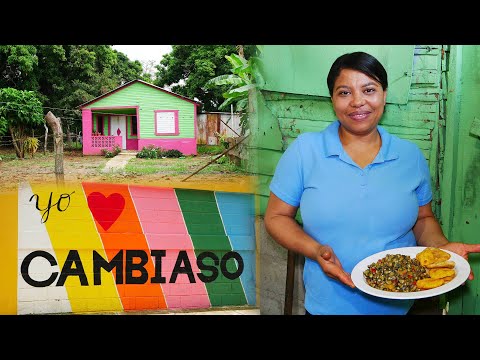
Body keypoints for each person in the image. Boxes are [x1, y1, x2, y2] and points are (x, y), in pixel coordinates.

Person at [263, 51, 480, 315]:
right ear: (332, 98)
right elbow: (276, 217)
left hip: (404, 302)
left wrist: (441, 249)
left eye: (369, 90)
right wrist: (315, 249)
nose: (357, 102)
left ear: (384, 94)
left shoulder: (410, 156)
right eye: (344, 92)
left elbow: (423, 219)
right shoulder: (305, 151)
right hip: (328, 306)